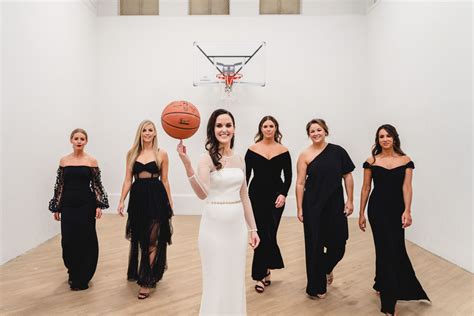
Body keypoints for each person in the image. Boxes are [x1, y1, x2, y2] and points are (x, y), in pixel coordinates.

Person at [177, 108, 260, 315]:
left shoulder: (240, 159)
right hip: (213, 226)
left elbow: (245, 196)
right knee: (215, 276)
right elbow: (203, 193)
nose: (224, 129)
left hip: (237, 227)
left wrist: (253, 229)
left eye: (228, 125)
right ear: (212, 130)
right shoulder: (206, 159)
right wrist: (188, 166)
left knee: (234, 276)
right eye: (219, 125)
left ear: (234, 129)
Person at [359, 124, 429, 315]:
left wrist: (407, 210)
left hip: (397, 210)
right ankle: (388, 303)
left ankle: (382, 283)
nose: (385, 139)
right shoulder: (371, 161)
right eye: (381, 136)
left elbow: (407, 188)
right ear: (377, 140)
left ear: (394, 138)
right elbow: (365, 188)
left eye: (388, 136)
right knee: (384, 249)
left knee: (395, 248)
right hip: (377, 210)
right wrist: (361, 213)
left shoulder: (406, 160)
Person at [295, 119, 355, 299]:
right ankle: (316, 287)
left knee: (339, 244)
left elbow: (348, 176)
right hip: (312, 206)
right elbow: (299, 183)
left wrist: (350, 200)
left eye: (318, 130)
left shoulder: (338, 151)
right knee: (314, 246)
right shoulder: (304, 155)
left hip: (335, 205)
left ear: (325, 131)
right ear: (309, 134)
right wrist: (299, 207)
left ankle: (326, 269)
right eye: (312, 131)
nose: (315, 133)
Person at [117, 120, 173, 299]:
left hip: (156, 197)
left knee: (152, 240)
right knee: (140, 238)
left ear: (155, 133)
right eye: (144, 130)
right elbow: (127, 180)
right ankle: (146, 272)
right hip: (138, 197)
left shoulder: (161, 153)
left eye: (150, 130)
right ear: (140, 133)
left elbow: (164, 180)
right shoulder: (132, 153)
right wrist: (121, 201)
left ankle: (146, 281)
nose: (147, 133)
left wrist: (170, 202)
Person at [49, 128, 109, 291]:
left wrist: (98, 205)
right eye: (76, 138)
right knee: (68, 240)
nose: (79, 141)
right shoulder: (64, 161)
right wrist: (56, 206)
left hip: (86, 204)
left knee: (86, 239)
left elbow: (97, 185)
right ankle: (72, 271)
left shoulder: (91, 161)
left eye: (82, 138)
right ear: (71, 140)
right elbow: (60, 185)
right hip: (68, 204)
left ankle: (84, 275)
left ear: (86, 141)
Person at [245, 115, 292, 293]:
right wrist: (244, 198)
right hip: (256, 196)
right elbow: (246, 175)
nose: (268, 129)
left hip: (275, 197)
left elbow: (288, 177)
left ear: (276, 128)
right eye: (265, 126)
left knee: (270, 233)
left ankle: (266, 269)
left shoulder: (283, 150)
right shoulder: (252, 150)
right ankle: (260, 276)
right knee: (261, 234)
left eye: (271, 126)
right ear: (261, 129)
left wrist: (284, 194)